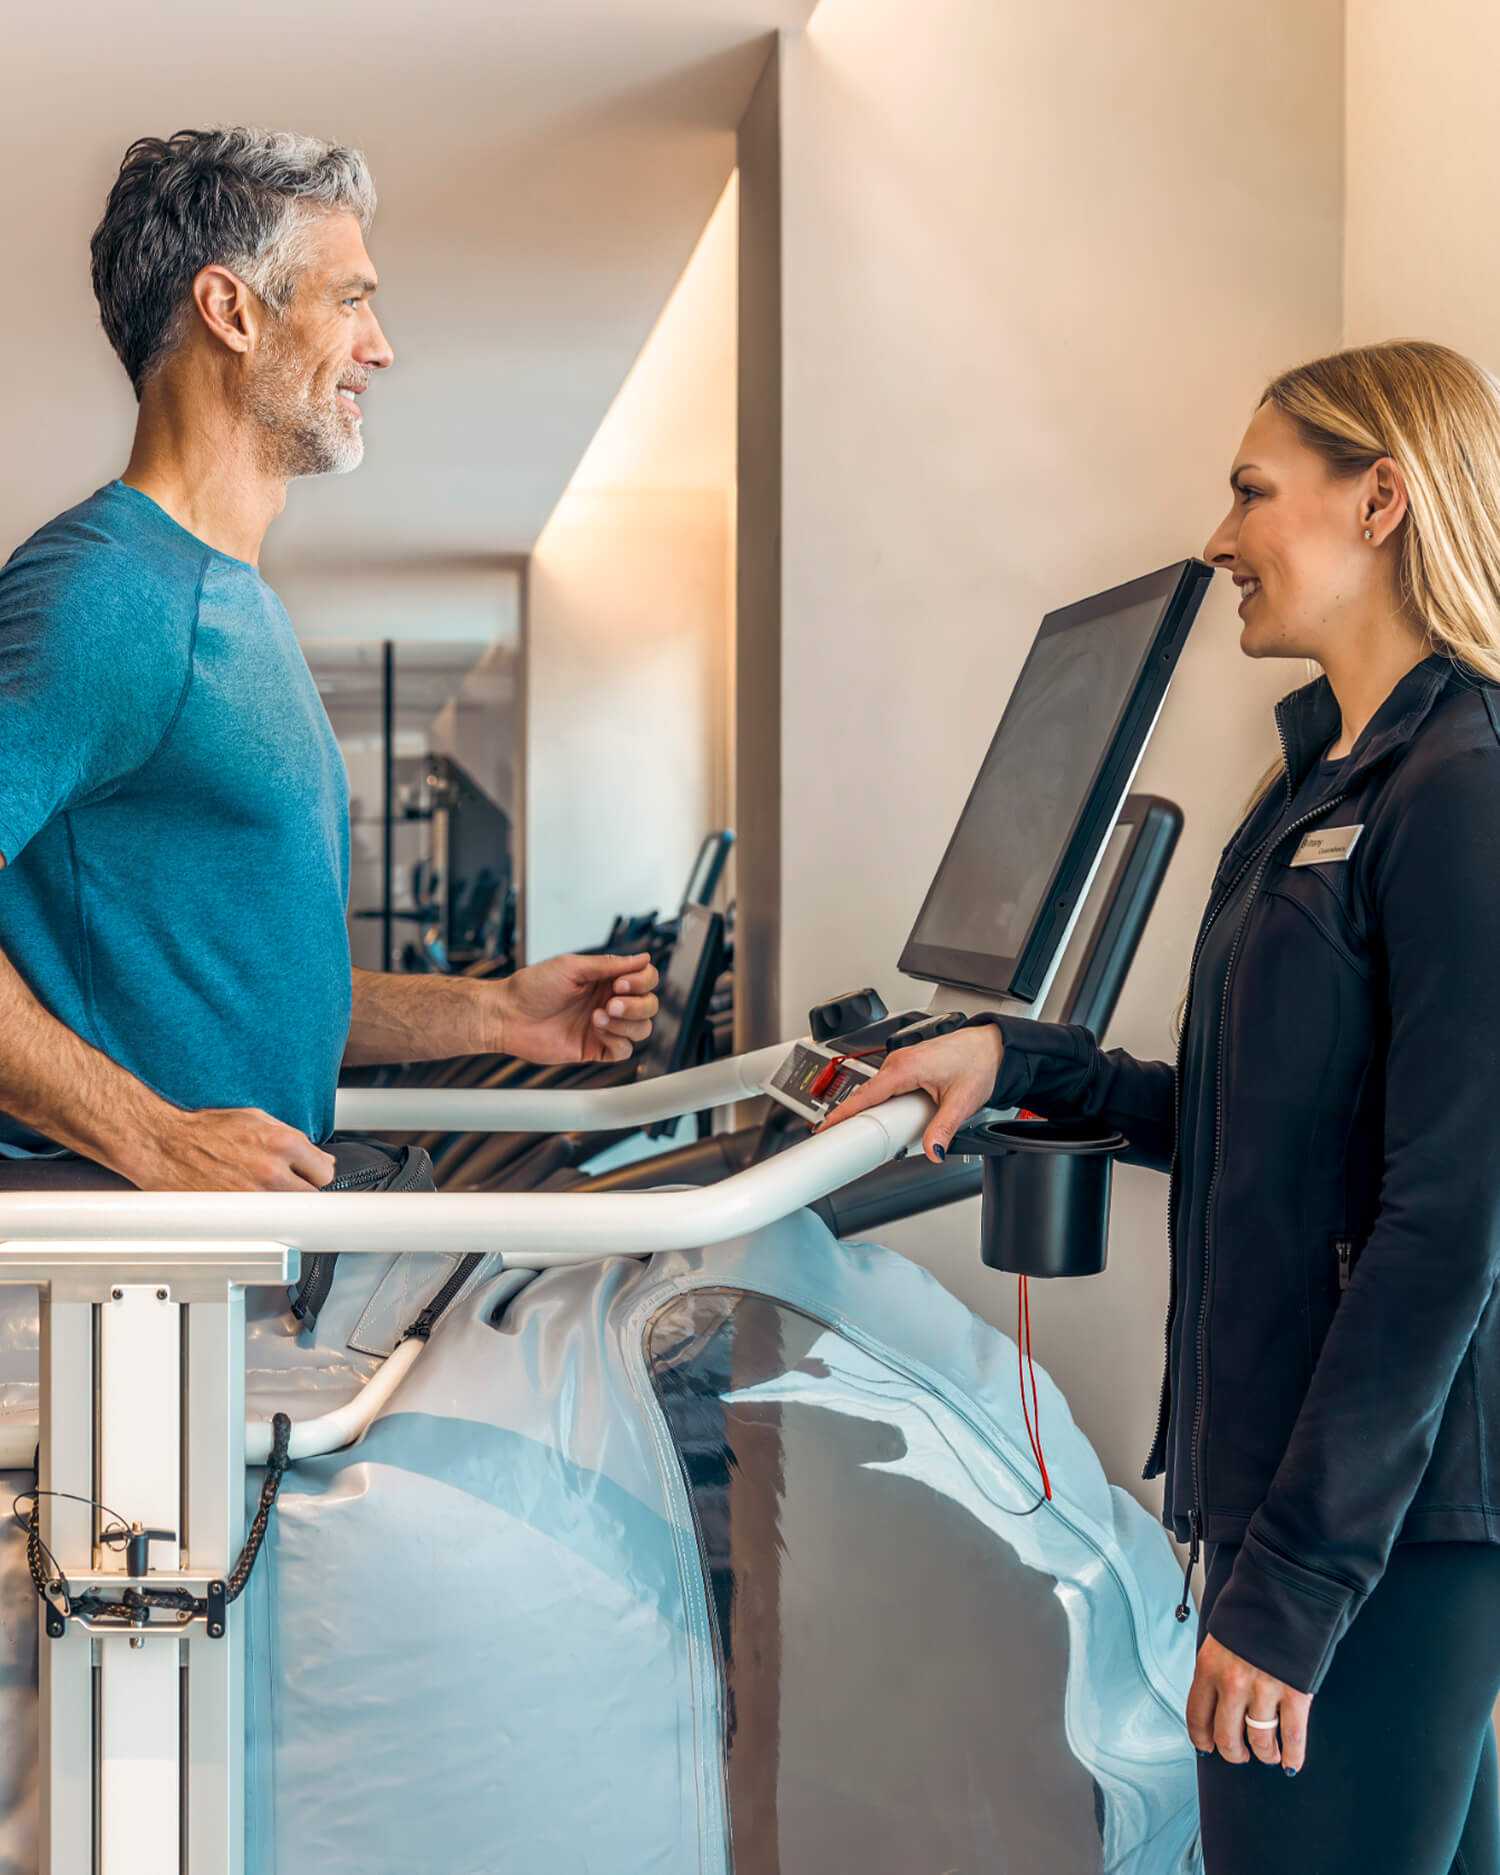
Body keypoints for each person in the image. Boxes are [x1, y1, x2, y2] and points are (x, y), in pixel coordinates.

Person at [824, 340, 1500, 1874]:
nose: (1221, 538)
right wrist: (1024, 1059)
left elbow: (1449, 1220)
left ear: (1379, 498)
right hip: (1304, 1497)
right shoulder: (1319, 785)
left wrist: (1295, 1584)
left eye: (1254, 492)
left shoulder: (1463, 784)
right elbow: (1259, 1124)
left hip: (1382, 1525)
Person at [0, 127, 658, 1192]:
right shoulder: (109, 594)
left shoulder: (229, 602)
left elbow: (242, 990)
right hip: (125, 1283)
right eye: (349, 300)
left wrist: (492, 1012)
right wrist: (152, 1136)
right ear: (233, 312)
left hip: (233, 1265)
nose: (381, 345)